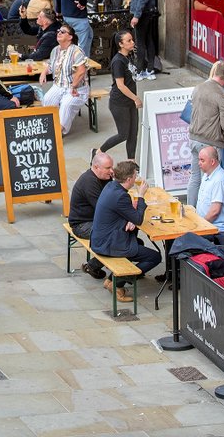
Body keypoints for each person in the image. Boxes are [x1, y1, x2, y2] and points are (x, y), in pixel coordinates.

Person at [90, 160, 159, 303]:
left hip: (100, 238)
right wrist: (140, 196)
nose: (136, 178)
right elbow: (139, 219)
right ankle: (117, 283)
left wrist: (129, 218)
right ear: (129, 179)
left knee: (138, 242)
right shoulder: (121, 196)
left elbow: (122, 212)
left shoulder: (111, 186)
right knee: (155, 257)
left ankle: (110, 280)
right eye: (135, 175)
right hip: (108, 243)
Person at [186, 60, 224, 210]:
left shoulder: (199, 87)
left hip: (194, 139)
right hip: (210, 143)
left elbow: (207, 107)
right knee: (208, 180)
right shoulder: (223, 95)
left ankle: (190, 209)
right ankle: (204, 214)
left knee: (195, 178)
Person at [68, 151, 116, 279]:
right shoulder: (89, 182)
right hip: (82, 225)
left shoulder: (104, 177)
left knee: (126, 236)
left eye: (112, 167)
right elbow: (104, 209)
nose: (112, 171)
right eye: (108, 168)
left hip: (94, 219)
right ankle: (94, 266)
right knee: (117, 236)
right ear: (96, 167)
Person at [40, 22, 89, 135]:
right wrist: (44, 72)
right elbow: (51, 66)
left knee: (66, 104)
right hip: (59, 86)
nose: (59, 33)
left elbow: (81, 70)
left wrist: (74, 86)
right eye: (58, 31)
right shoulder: (55, 50)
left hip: (76, 88)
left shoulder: (76, 51)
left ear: (70, 37)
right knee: (47, 99)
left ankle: (59, 131)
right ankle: (49, 126)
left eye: (63, 32)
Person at [100, 30, 141, 159]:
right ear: (121, 44)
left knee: (133, 134)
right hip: (119, 103)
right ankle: (98, 152)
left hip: (130, 102)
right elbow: (120, 85)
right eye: (129, 40)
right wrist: (136, 98)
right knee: (123, 134)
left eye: (132, 39)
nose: (132, 42)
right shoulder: (118, 61)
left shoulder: (128, 56)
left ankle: (131, 162)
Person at [195, 145, 224, 242]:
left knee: (182, 239)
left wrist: (198, 226)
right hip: (207, 226)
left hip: (216, 230)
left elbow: (214, 212)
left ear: (212, 162)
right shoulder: (206, 175)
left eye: (202, 160)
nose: (199, 163)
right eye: (199, 160)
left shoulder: (219, 180)